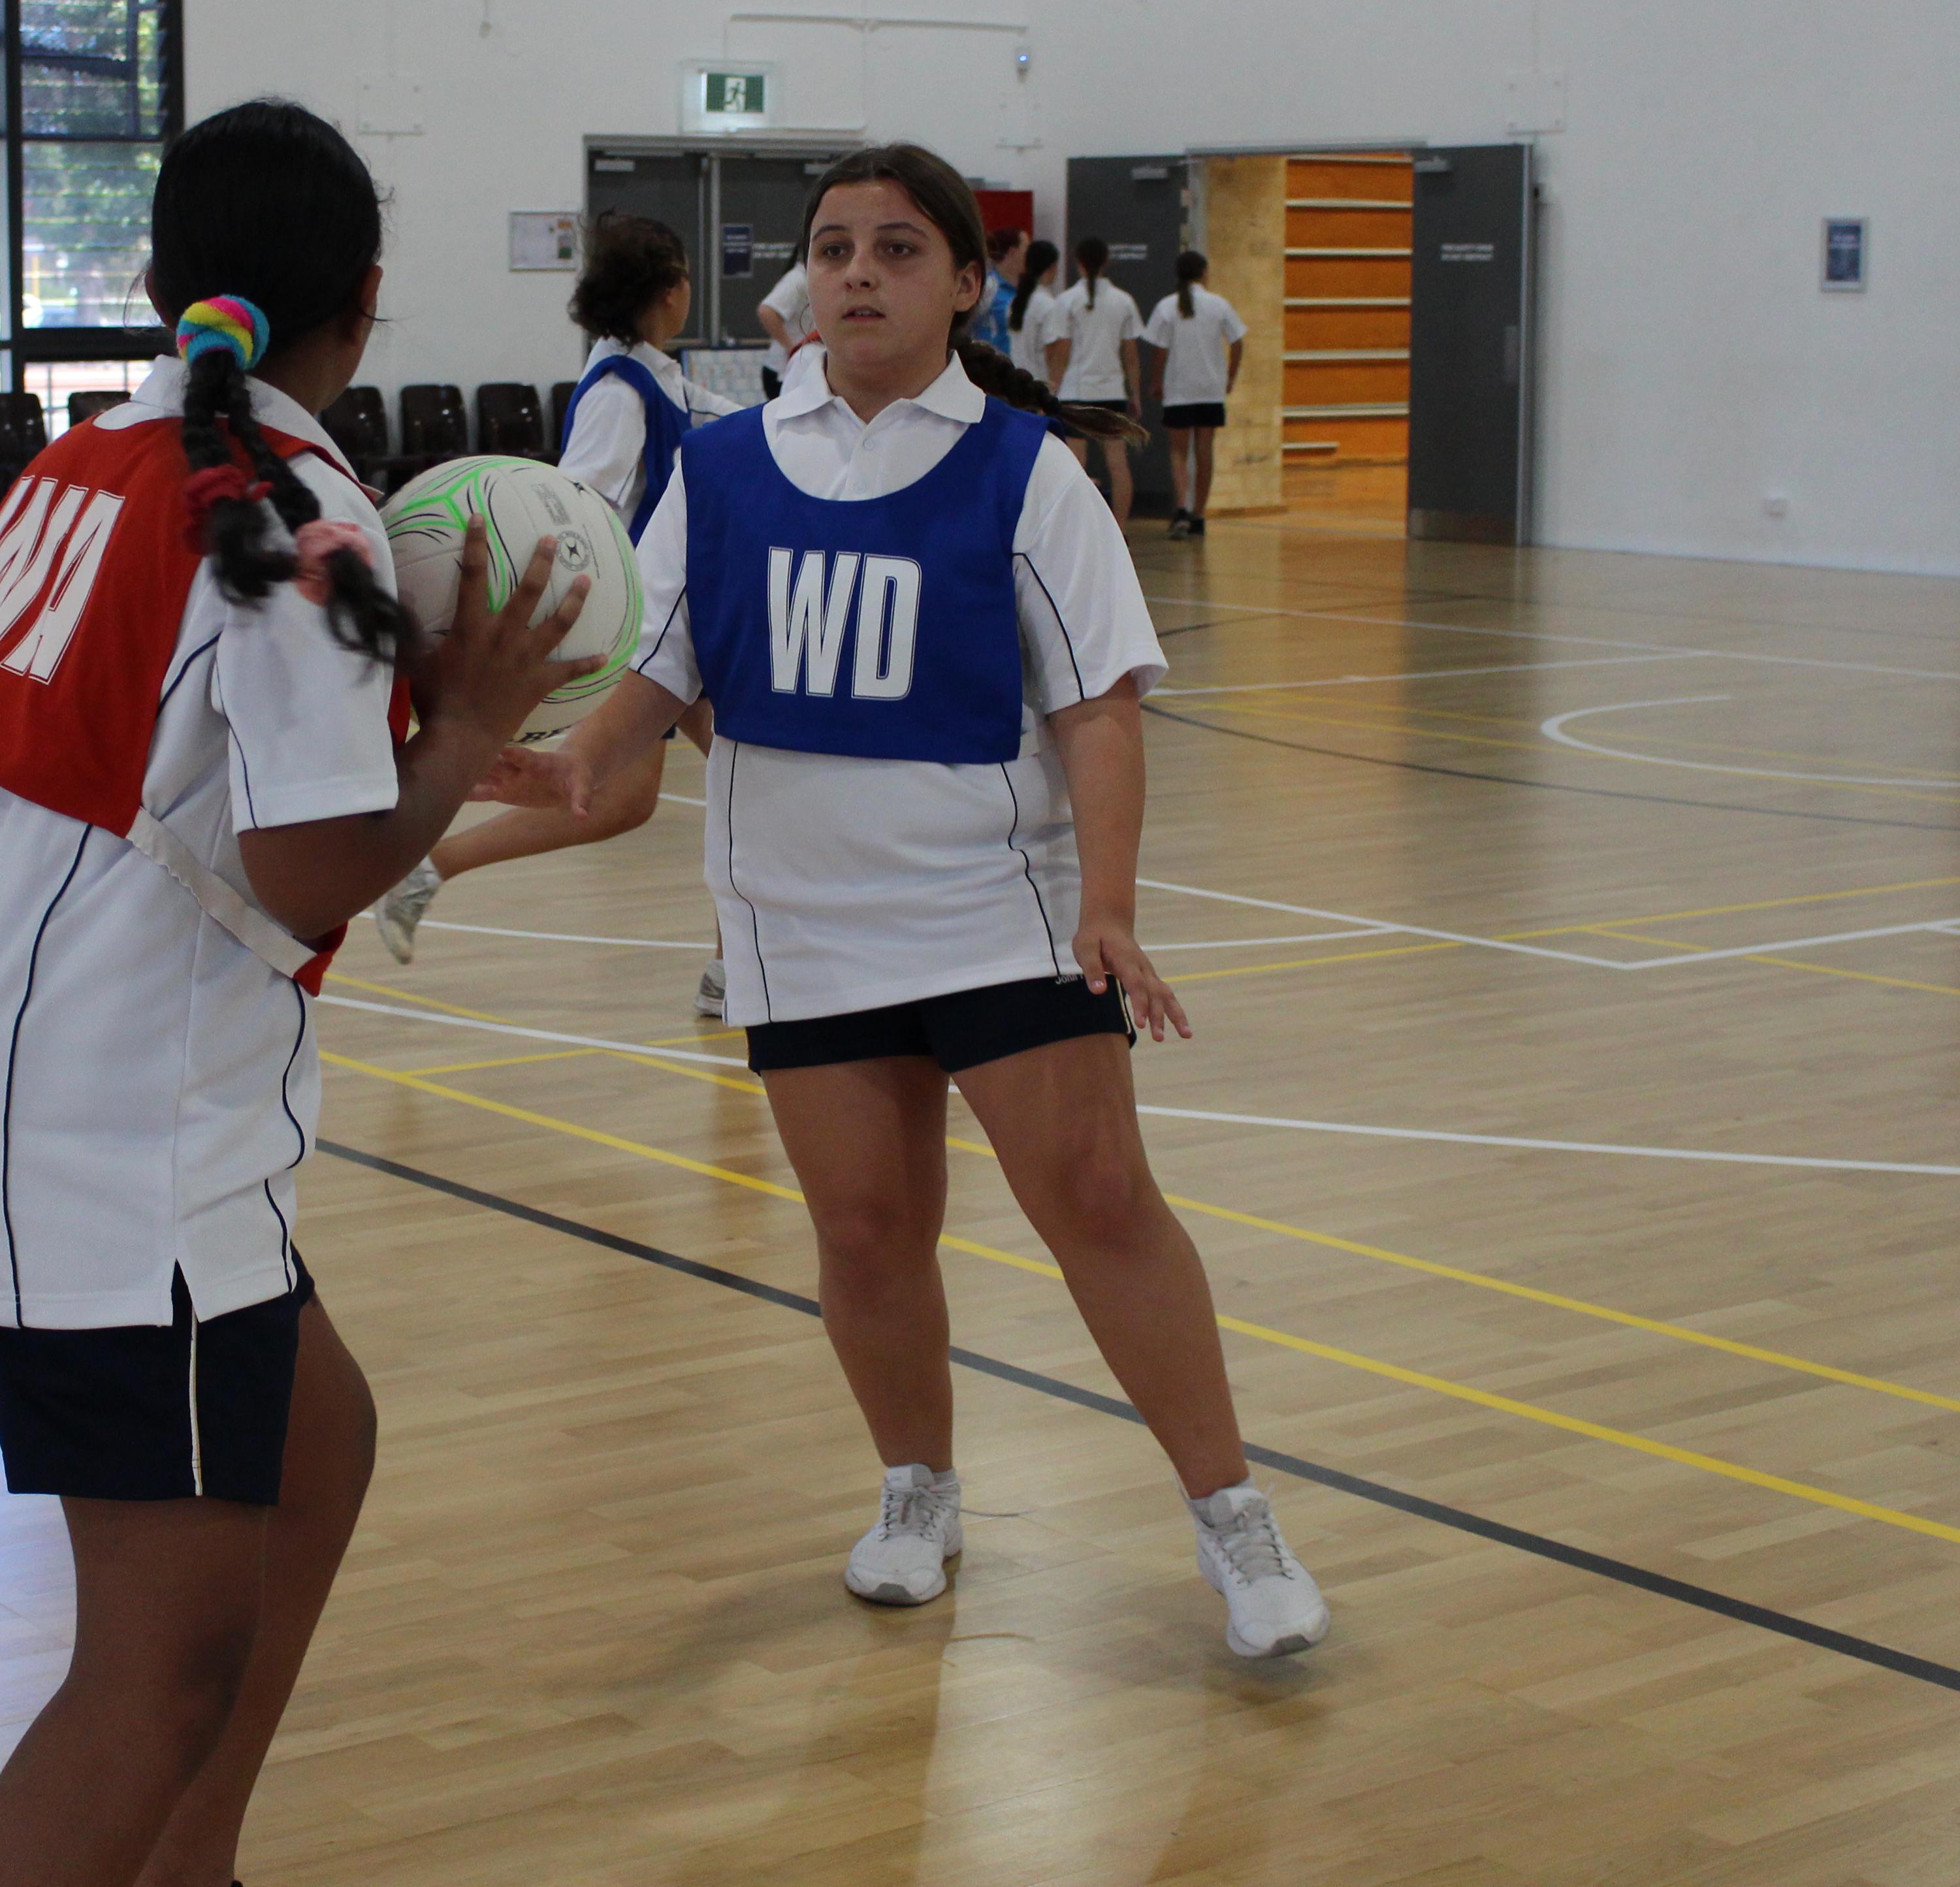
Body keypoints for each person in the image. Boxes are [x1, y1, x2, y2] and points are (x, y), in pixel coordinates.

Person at [479, 141, 1330, 1660]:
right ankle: (918, 1491)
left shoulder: (1027, 470)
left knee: (1101, 1203)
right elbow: (656, 669)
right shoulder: (721, 471)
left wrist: (1112, 904)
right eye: (834, 249)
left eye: (895, 248)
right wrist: (576, 760)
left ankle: (1233, 1515)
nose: (858, 274)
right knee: (868, 1230)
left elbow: (1099, 708)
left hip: (1001, 910)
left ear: (964, 283)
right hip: (801, 919)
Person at [0, 98, 588, 1887]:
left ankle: (192, 1867)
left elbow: (193, 764)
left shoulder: (87, 464)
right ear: (364, 299)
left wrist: (402, 732)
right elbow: (308, 873)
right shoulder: (290, 513)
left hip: (17, 1069)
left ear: (163, 285)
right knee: (157, 1677)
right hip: (119, 1133)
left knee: (318, 1441)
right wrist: (469, 727)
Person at [373, 209, 738, 1017]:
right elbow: (575, 505)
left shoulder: (652, 378)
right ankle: (733, 968)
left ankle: (430, 868)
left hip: (670, 622)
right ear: (673, 290)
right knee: (740, 780)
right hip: (639, 631)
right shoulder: (618, 390)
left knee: (658, 793)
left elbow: (724, 421)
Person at [1144, 250, 1247, 541]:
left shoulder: (1167, 306)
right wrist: (1230, 376)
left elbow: (1159, 350)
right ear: (1204, 272)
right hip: (1211, 390)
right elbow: (1238, 342)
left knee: (1179, 451)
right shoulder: (1219, 304)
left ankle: (1181, 509)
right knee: (1204, 452)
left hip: (1179, 389)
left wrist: (1156, 381)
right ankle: (1199, 515)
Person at [1054, 236, 1147, 524]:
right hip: (1112, 391)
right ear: (1106, 261)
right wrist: (1135, 394)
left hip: (1075, 392)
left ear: (1078, 262)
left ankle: (1076, 528)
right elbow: (1131, 356)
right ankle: (1120, 530)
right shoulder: (1124, 301)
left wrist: (1052, 390)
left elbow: (1062, 353)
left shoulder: (1066, 301)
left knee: (1074, 466)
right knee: (1118, 464)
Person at [1004, 237, 1068, 396]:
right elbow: (1052, 353)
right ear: (1052, 268)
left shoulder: (1014, 303)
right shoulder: (1049, 305)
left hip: (1016, 386)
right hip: (1041, 388)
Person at [755, 255, 814, 398]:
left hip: (803, 368)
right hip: (784, 372)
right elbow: (767, 311)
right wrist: (792, 348)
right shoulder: (797, 280)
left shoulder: (814, 280)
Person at [968, 224, 1025, 353]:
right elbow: (967, 325)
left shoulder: (1025, 290)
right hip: (989, 361)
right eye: (1026, 250)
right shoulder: (988, 287)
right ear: (1013, 252)